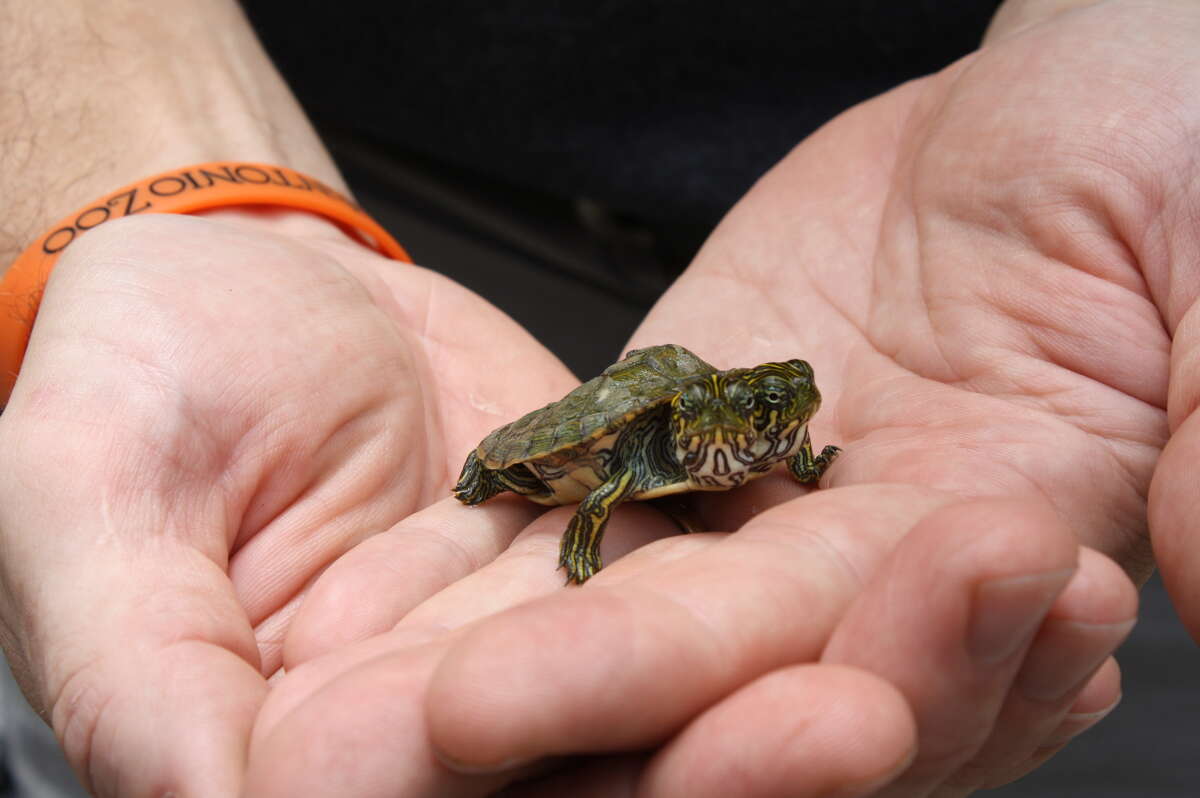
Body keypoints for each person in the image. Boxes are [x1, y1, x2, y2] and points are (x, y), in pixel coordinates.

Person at [0, 0, 1193, 795]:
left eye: (782, 416)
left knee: (989, 669)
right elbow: (613, 475)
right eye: (770, 417)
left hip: (1026, 345)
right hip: (400, 180)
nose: (779, 428)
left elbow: (792, 448)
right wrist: (155, 164)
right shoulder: (658, 441)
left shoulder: (765, 431)